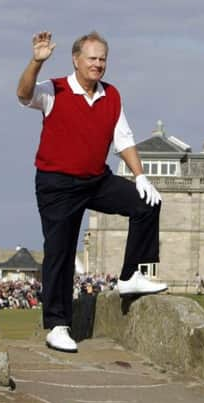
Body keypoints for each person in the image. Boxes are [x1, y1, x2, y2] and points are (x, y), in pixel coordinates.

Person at [17, 31, 167, 353]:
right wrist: (36, 62)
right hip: (56, 184)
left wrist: (140, 176)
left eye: (102, 59)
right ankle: (57, 325)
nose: (98, 64)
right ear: (76, 60)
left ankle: (129, 276)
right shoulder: (55, 89)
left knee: (146, 203)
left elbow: (123, 139)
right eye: (92, 58)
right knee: (60, 251)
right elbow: (23, 94)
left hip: (95, 180)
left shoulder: (111, 96)